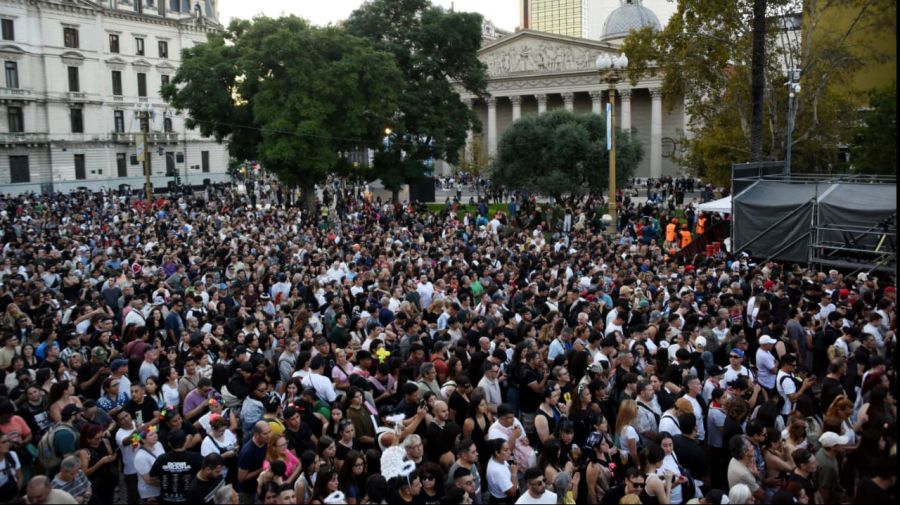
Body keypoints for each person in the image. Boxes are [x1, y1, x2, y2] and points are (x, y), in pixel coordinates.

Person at [150, 428, 204, 505]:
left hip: (167, 500)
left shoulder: (161, 459)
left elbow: (152, 477)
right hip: (190, 500)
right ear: (185, 441)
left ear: (169, 443)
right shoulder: (197, 458)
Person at [237, 421, 271, 504]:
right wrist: (262, 469)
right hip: (248, 492)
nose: (269, 435)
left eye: (270, 432)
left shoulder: (266, 442)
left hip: (262, 486)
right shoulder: (248, 452)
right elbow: (241, 478)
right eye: (265, 433)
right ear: (256, 435)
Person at [486, 438, 518, 505]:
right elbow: (512, 493)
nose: (510, 452)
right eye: (506, 450)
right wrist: (514, 474)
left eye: (509, 449)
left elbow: (506, 466)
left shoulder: (496, 458)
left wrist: (511, 468)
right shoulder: (498, 472)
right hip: (504, 500)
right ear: (497, 453)